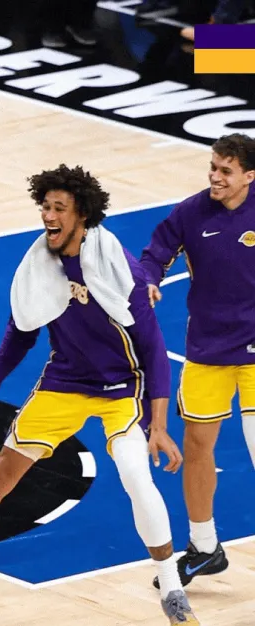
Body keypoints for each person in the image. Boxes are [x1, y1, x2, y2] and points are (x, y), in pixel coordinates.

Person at [0, 165, 200, 626]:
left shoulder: (121, 270)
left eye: (59, 209)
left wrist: (158, 424)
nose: (48, 217)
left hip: (120, 389)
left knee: (136, 476)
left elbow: (154, 352)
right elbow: (21, 333)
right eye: (45, 207)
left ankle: (173, 591)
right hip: (64, 383)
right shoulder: (39, 265)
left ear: (83, 216)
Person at [140, 133, 255, 588]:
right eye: (213, 167)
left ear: (250, 175)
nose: (215, 176)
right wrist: (148, 279)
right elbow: (154, 256)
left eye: (226, 171)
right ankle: (205, 547)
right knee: (197, 449)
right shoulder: (191, 212)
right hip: (208, 349)